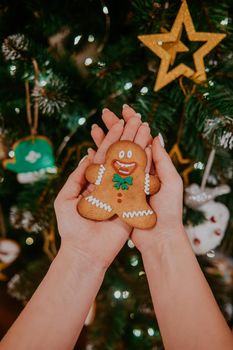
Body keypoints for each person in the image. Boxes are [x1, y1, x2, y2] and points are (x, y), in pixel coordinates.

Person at [0, 105, 232, 350]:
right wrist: (81, 253)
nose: (123, 160)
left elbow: (150, 184)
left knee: (138, 212)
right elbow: (94, 172)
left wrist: (163, 239)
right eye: (118, 157)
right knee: (98, 203)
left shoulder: (141, 179)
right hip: (101, 202)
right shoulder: (103, 173)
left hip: (136, 208)